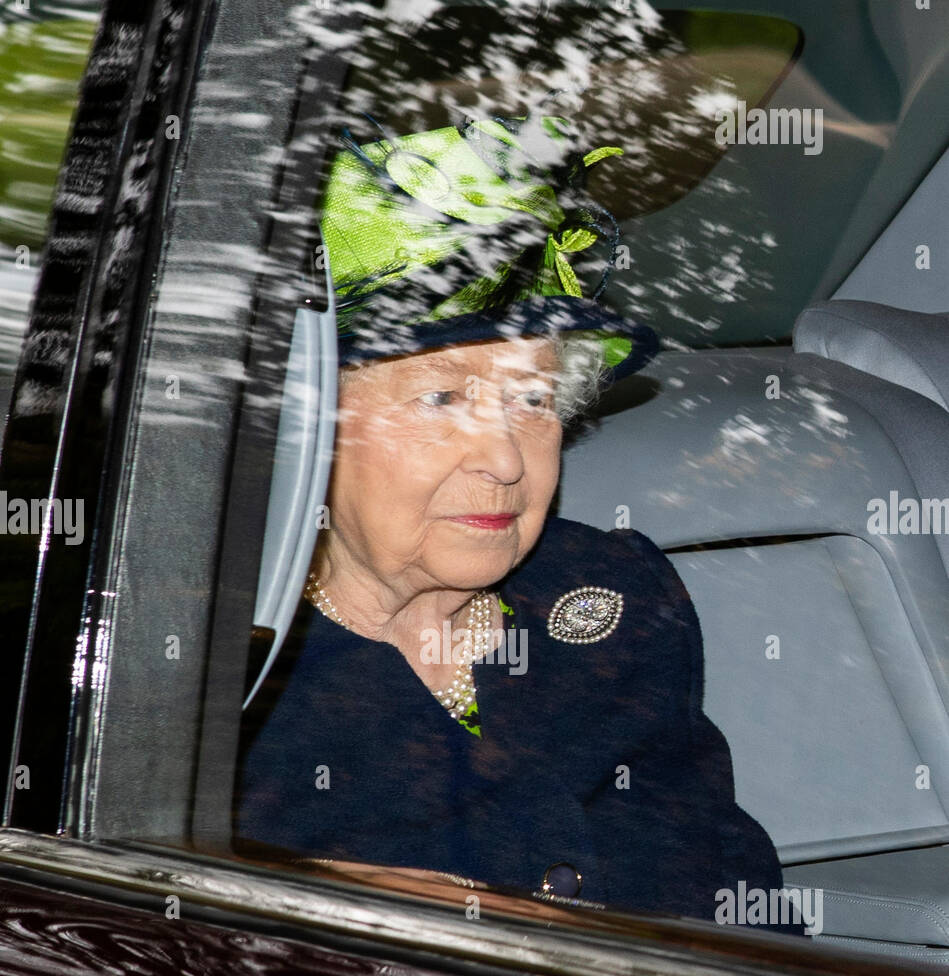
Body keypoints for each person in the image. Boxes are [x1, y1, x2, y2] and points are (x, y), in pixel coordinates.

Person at [236, 112, 791, 928]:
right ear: (303, 430)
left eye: (532, 398)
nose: (502, 458)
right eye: (441, 397)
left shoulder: (612, 597)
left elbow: (734, 906)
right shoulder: (215, 672)